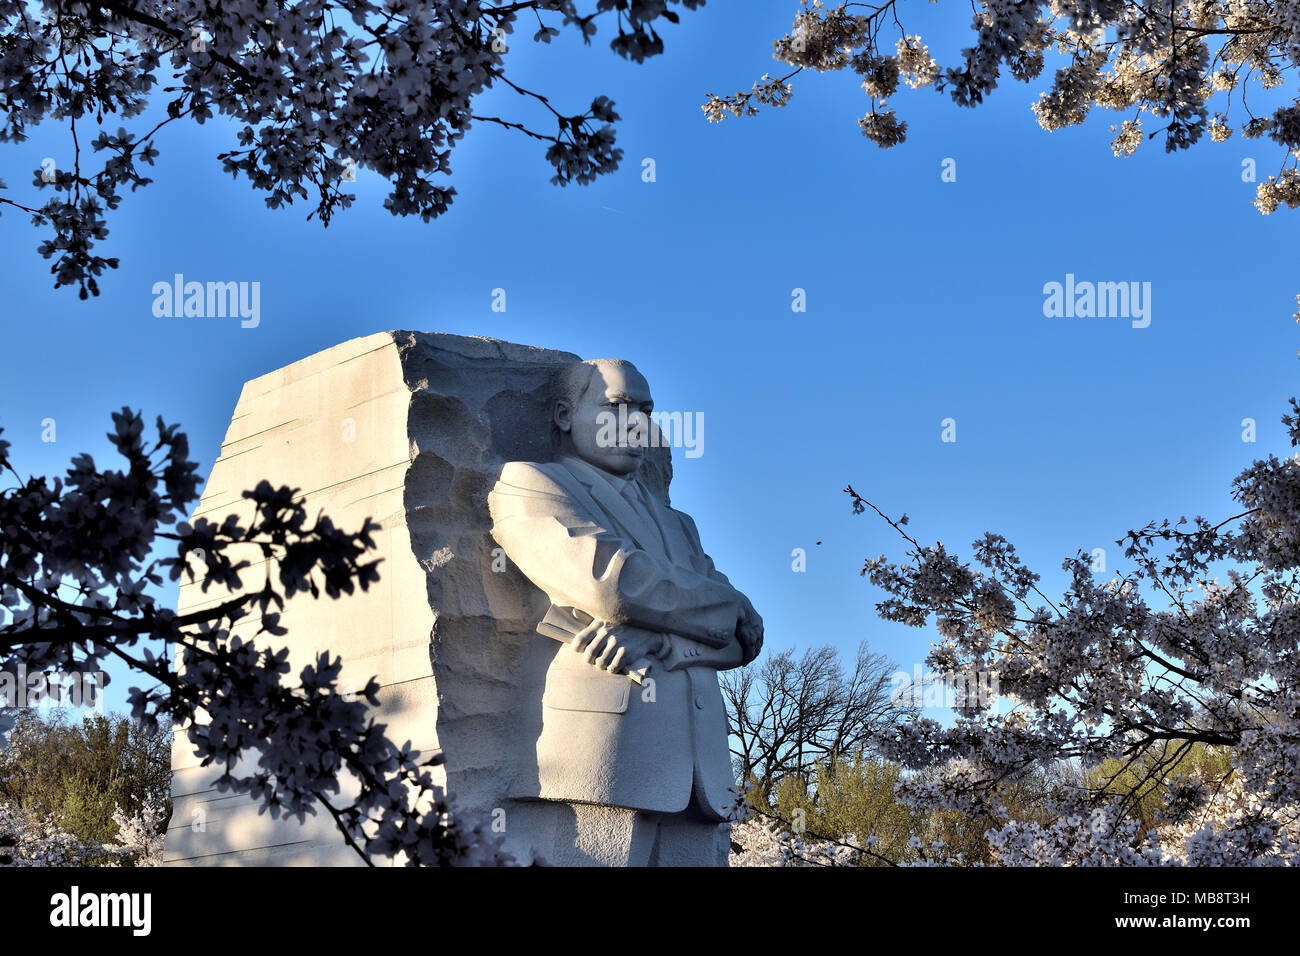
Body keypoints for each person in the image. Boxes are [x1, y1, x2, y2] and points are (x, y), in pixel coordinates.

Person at [487, 358, 763, 865]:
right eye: (617, 406)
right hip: (604, 758)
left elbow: (745, 637)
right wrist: (729, 601)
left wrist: (659, 641)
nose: (637, 421)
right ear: (566, 415)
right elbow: (613, 584)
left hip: (702, 777)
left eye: (646, 409)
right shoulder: (530, 483)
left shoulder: (679, 525)